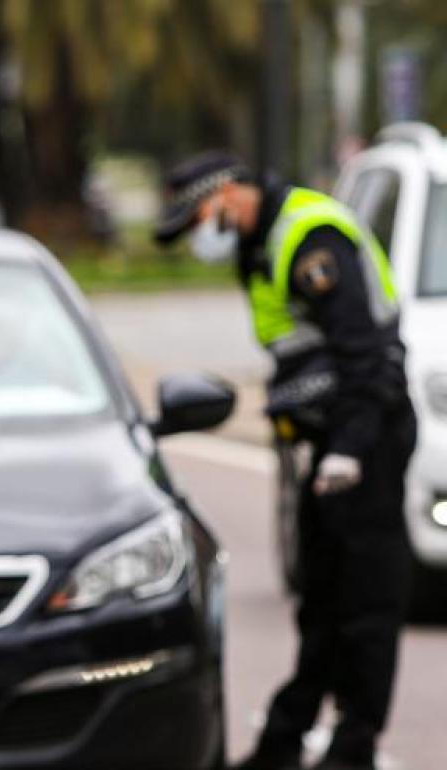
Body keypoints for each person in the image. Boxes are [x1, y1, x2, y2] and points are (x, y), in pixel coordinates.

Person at [154, 154, 416, 770]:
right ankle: (285, 738)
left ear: (225, 196)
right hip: (325, 440)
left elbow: (365, 357)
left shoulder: (309, 237)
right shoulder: (263, 241)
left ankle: (355, 744)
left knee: (367, 599)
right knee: (320, 596)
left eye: (199, 219)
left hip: (367, 437)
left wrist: (350, 449)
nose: (200, 235)